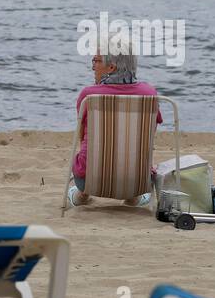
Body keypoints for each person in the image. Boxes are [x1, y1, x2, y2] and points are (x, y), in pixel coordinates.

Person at [67, 40, 162, 208]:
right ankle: (133, 198)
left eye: (96, 61)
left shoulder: (89, 96)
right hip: (137, 181)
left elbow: (82, 139)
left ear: (111, 67)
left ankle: (82, 194)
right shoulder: (149, 94)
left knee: (88, 152)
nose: (93, 66)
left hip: (89, 180)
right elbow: (149, 137)